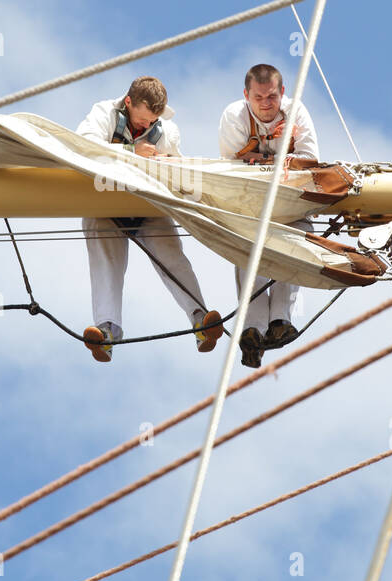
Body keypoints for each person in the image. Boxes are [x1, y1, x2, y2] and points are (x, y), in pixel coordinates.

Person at [76, 76, 223, 363]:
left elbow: (177, 167)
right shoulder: (103, 113)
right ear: (127, 103)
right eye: (142, 120)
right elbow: (84, 146)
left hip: (147, 207)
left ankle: (201, 321)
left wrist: (167, 161)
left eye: (151, 122)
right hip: (104, 207)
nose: (146, 127)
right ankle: (106, 333)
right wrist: (131, 152)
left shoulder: (166, 131)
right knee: (106, 265)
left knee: (173, 258)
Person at [218, 63, 319, 368]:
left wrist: (262, 158)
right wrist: (280, 158)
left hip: (290, 200)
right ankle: (254, 329)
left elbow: (310, 161)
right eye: (259, 97)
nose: (266, 103)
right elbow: (232, 166)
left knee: (297, 243)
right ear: (246, 95)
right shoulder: (234, 116)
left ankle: (279, 322)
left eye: (272, 97)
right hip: (251, 201)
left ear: (282, 93)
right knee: (250, 252)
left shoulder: (296, 113)